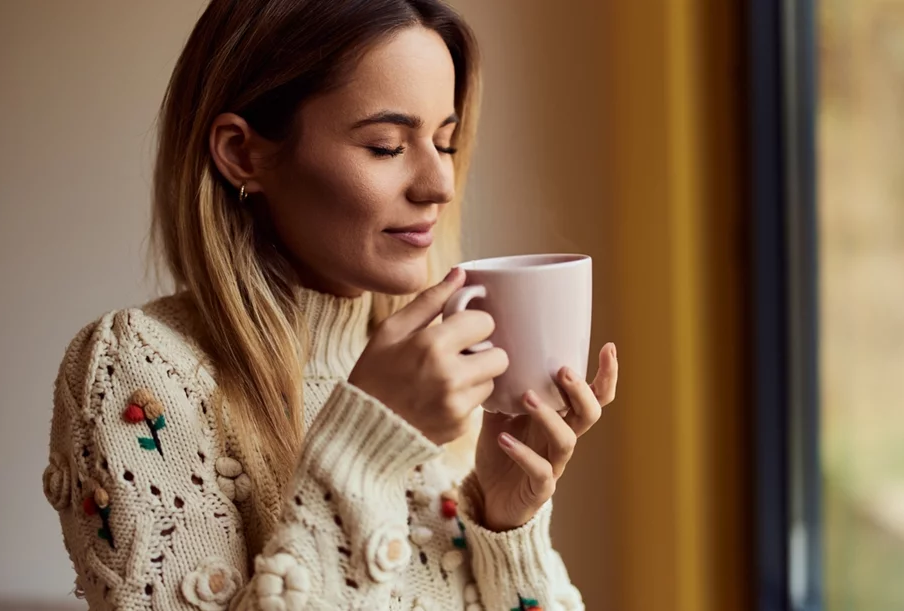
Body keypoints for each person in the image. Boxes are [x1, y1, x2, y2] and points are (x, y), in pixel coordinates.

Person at [40, 0, 619, 609]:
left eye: (445, 143)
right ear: (242, 153)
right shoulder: (139, 372)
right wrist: (364, 448)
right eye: (386, 146)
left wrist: (505, 524)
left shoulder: (439, 376)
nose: (440, 185)